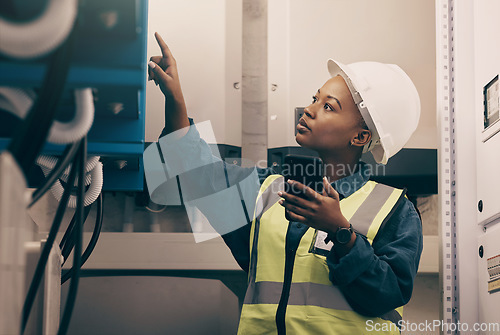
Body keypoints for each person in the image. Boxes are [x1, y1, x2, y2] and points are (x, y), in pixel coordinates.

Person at [146, 32, 423, 335]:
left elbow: (388, 293)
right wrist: (175, 98)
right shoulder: (268, 191)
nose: (309, 109)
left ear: (359, 137)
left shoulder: (395, 210)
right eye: (314, 99)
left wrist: (341, 234)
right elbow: (196, 171)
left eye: (329, 107)